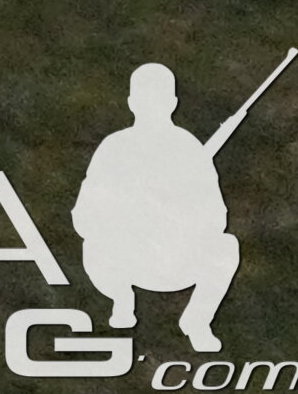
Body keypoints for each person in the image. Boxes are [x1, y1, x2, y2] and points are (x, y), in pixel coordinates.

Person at [78, 60, 244, 352]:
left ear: (172, 103)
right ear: (132, 103)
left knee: (226, 247)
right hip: (125, 260)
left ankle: (197, 321)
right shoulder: (114, 148)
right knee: (92, 246)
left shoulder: (190, 149)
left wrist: (176, 215)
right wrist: (126, 215)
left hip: (177, 259)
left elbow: (217, 217)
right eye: (145, 98)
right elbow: (83, 217)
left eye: (157, 99)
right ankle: (121, 298)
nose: (151, 106)